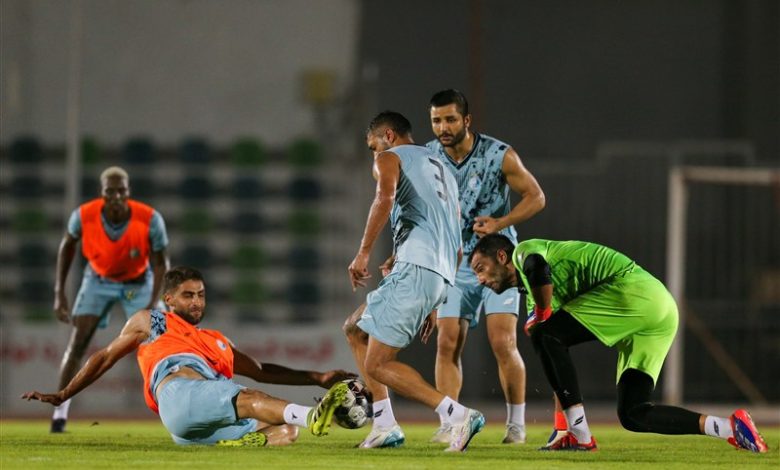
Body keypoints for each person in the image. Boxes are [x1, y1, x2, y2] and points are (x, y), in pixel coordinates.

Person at [469, 234, 769, 453]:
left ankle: (580, 434)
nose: (480, 280)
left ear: (502, 257)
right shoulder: (537, 292)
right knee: (633, 414)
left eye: (480, 268)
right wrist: (561, 428)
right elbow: (557, 362)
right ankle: (730, 428)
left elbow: (537, 266)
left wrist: (543, 315)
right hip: (661, 311)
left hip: (633, 291)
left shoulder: (524, 252)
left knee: (546, 334)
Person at [24, 266, 355, 446]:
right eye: (188, 295)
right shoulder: (153, 321)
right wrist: (65, 393)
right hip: (178, 393)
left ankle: (235, 447)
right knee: (251, 398)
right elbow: (105, 356)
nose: (196, 302)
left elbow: (261, 369)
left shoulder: (216, 341)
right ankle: (313, 416)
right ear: (169, 299)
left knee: (285, 431)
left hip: (193, 428)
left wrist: (319, 377)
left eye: (201, 295)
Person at [342, 111, 484, 452]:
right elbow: (457, 245)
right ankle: (385, 425)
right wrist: (437, 299)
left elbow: (384, 198)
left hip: (417, 268)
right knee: (356, 329)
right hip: (438, 272)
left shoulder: (390, 157)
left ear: (388, 136)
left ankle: (458, 414)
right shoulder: (443, 170)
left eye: (373, 146)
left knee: (377, 363)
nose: (374, 154)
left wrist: (363, 252)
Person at [424, 89, 546, 444]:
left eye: (450, 119)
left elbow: (536, 196)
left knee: (503, 341)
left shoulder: (498, 154)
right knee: (447, 342)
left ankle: (516, 425)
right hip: (455, 263)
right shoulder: (428, 157)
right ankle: (450, 423)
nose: (443, 127)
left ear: (466, 120)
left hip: (499, 262)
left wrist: (500, 222)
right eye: (436, 121)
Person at [50, 166, 170, 433]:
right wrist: (59, 293)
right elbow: (67, 246)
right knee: (78, 342)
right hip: (98, 280)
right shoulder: (83, 215)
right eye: (110, 191)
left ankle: (174, 410)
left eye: (121, 190)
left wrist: (154, 302)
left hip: (137, 283)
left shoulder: (149, 218)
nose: (116, 196)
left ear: (129, 192)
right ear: (101, 193)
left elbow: (162, 262)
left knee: (163, 340)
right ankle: (59, 414)